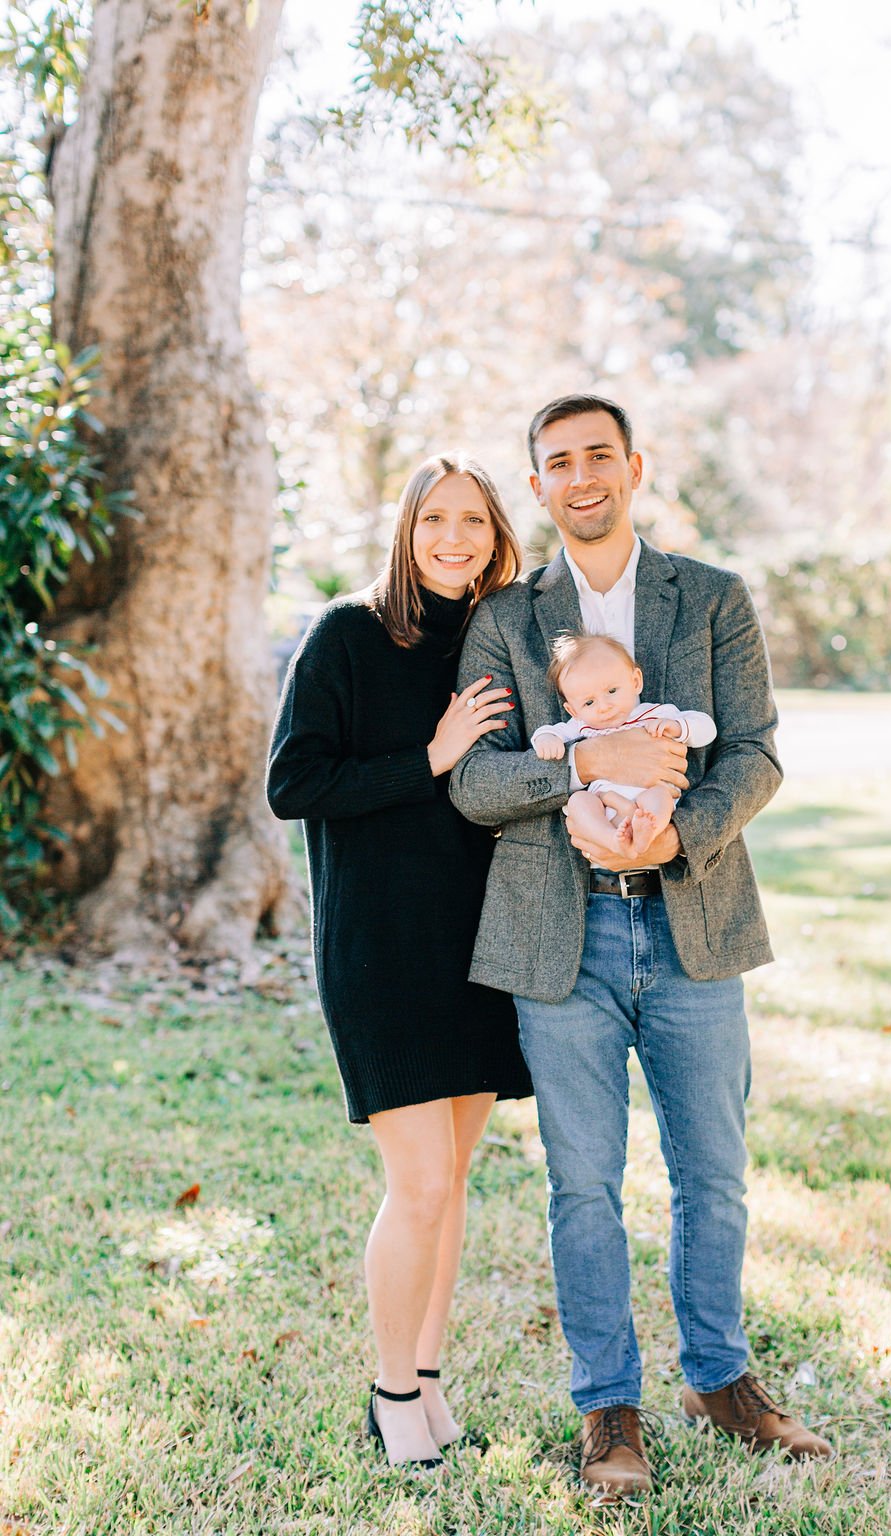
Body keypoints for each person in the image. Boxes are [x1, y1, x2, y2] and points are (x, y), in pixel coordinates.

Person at [450, 395, 833, 1497]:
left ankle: (719, 1380)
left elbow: (753, 752)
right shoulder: (506, 621)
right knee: (583, 1184)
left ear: (633, 467)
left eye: (599, 456)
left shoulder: (709, 597)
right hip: (557, 940)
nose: (581, 477)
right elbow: (476, 782)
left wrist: (680, 831)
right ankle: (605, 1408)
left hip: (693, 919)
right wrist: (582, 764)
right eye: (557, 462)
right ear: (538, 484)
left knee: (713, 1177)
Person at [266, 454, 532, 1470]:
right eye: (435, 521)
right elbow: (294, 782)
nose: (454, 538)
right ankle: (387, 1393)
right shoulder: (347, 633)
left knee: (454, 1181)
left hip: (479, 945)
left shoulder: (495, 642)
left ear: (497, 534)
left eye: (473, 521)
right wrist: (430, 754)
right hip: (381, 949)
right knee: (416, 1184)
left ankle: (426, 1381)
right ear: (406, 533)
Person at [531, 630, 716, 857]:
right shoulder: (580, 725)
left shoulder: (654, 714)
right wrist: (546, 739)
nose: (604, 706)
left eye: (611, 691)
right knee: (580, 801)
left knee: (661, 796)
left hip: (646, 804)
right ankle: (612, 840)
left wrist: (678, 727)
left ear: (635, 681)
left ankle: (648, 833)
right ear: (572, 710)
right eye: (589, 702)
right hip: (603, 807)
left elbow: (707, 728)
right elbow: (549, 731)